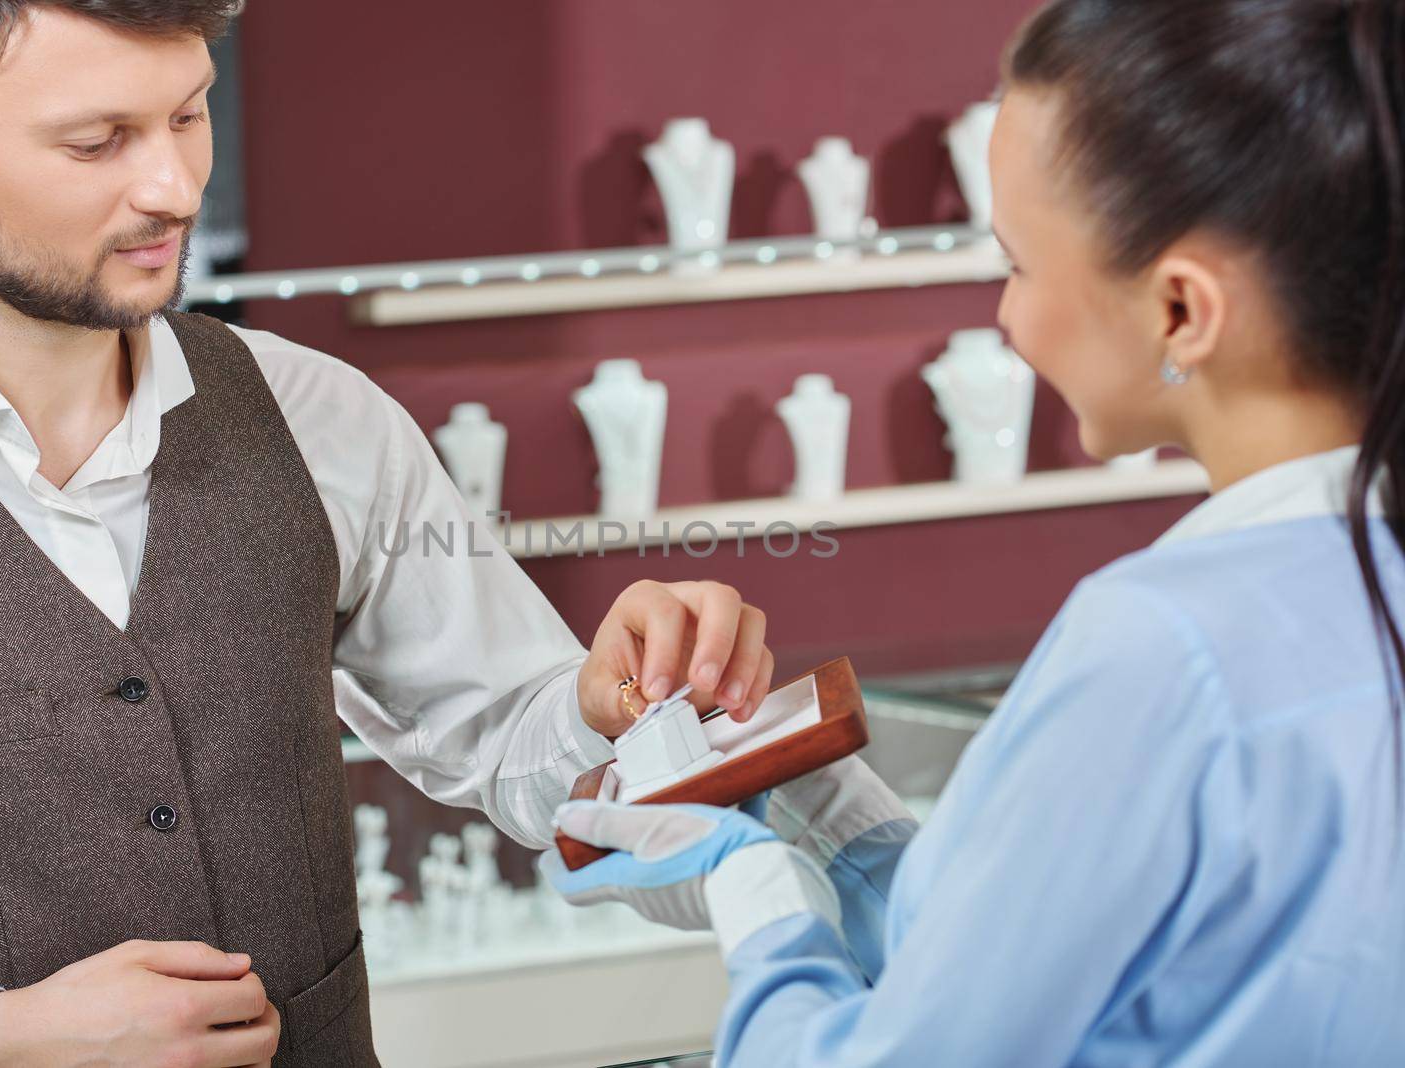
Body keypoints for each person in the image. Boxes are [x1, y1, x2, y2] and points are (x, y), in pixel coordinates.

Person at [0, 3, 778, 1067]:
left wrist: (605, 703)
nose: (174, 188)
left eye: (188, 115)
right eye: (97, 143)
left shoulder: (322, 416)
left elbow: (512, 738)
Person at [546, 1, 1405, 1064]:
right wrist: (839, 824)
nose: (1004, 316)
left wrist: (755, 889)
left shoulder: (1156, 648)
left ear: (1180, 310)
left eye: (1018, 265)